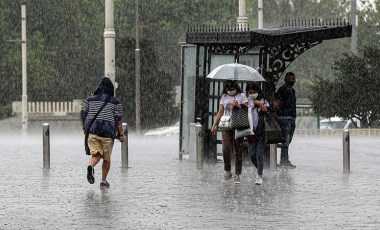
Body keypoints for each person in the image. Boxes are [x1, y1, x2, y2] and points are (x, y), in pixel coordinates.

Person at [81, 77, 125, 188]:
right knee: (106, 158)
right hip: (108, 134)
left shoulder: (90, 100)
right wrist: (120, 135)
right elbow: (118, 120)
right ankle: (103, 181)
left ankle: (91, 166)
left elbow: (83, 113)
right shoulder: (115, 102)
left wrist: (85, 127)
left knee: (96, 154)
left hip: (93, 131)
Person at [211, 80, 248, 184]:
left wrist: (238, 105)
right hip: (227, 124)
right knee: (226, 148)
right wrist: (214, 125)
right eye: (228, 90)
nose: (231, 91)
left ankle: (237, 173)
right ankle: (228, 171)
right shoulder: (224, 97)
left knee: (238, 149)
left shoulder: (241, 96)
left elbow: (246, 109)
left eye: (232, 89)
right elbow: (220, 111)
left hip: (238, 124)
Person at [246, 82, 269, 185]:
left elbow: (268, 111)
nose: (252, 94)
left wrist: (260, 105)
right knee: (251, 154)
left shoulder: (263, 100)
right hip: (250, 132)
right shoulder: (246, 101)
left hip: (261, 131)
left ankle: (259, 174)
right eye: (250, 92)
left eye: (254, 92)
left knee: (259, 153)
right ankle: (260, 169)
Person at [274, 72, 297, 169]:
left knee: (288, 140)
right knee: (285, 139)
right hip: (283, 117)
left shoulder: (292, 91)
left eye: (293, 78)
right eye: (291, 78)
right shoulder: (281, 90)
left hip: (291, 117)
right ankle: (283, 159)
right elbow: (277, 103)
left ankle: (285, 159)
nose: (293, 80)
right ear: (286, 79)